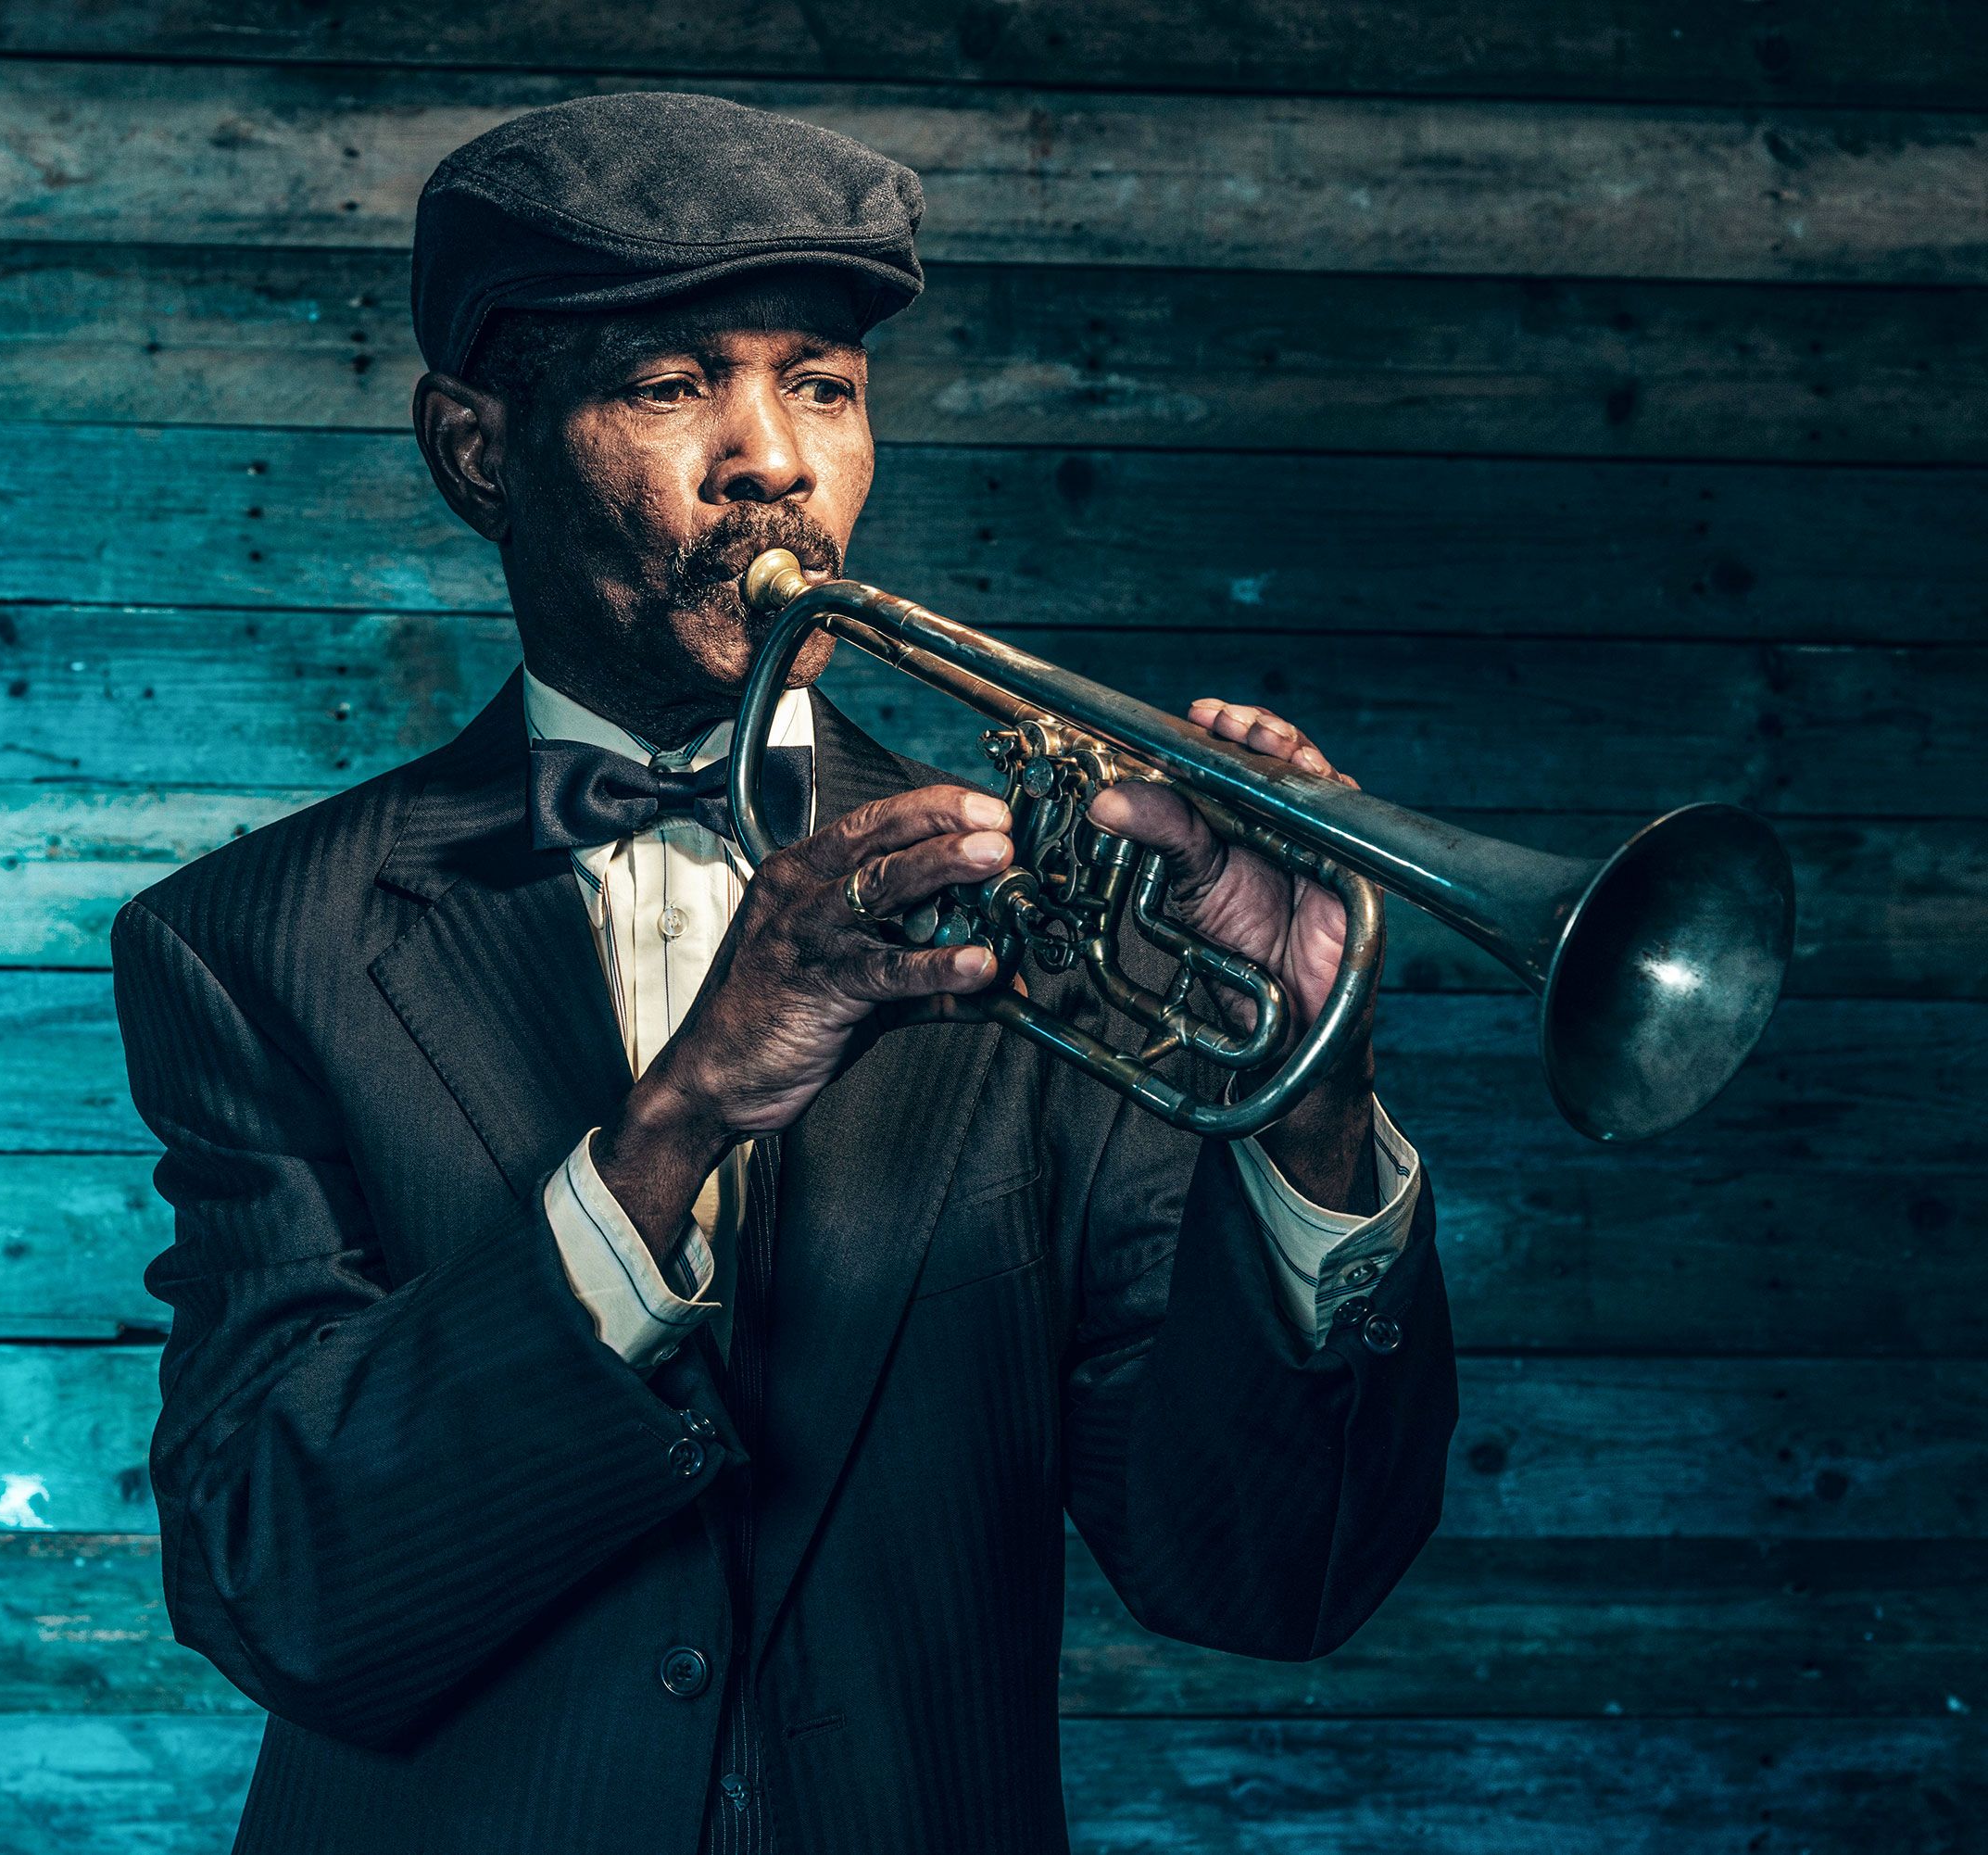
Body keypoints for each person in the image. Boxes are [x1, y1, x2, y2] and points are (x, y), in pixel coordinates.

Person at [112, 92, 1454, 1855]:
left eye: (820, 383)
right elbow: (276, 1580)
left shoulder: (1053, 901)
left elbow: (1270, 1580)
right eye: (673, 386)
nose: (775, 462)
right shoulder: (250, 943)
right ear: (476, 451)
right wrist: (672, 1123)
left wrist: (1317, 1095)